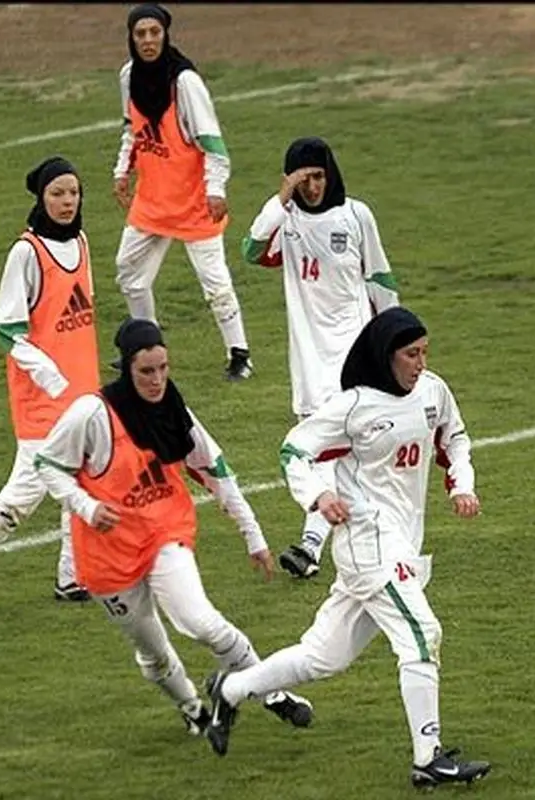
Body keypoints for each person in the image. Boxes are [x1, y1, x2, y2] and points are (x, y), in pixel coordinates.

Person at [202, 307, 491, 788]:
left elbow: (455, 438)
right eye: (411, 354)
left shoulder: (433, 391)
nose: (420, 364)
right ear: (386, 356)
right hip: (369, 547)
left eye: (425, 352)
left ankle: (231, 689)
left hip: (400, 544)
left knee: (323, 656)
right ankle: (428, 758)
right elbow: (294, 450)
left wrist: (462, 484)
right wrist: (319, 494)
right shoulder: (354, 407)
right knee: (423, 635)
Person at [33, 318, 313, 734]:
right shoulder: (91, 414)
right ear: (126, 368)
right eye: (146, 371)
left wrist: (253, 535)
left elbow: (216, 471)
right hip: (108, 559)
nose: (157, 380)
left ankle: (272, 693)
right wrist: (86, 507)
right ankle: (192, 707)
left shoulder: (174, 410)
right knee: (153, 654)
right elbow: (47, 465)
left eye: (163, 368)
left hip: (164, 535)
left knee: (203, 623)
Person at [0, 156, 98, 620]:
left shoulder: (82, 242)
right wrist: (47, 372)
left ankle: (72, 578)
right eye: (58, 193)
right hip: (41, 400)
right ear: (41, 198)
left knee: (82, 481)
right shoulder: (27, 253)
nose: (67, 201)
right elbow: (6, 328)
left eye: (73, 192)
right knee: (25, 496)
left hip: (83, 393)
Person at [242, 136, 400, 581]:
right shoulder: (286, 223)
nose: (312, 187)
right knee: (327, 456)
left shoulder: (356, 215)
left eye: (318, 176)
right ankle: (359, 539)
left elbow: (380, 278)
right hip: (309, 361)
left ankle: (311, 546)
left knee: (329, 452)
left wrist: (396, 339)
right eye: (303, 179)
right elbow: (251, 250)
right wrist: (280, 200)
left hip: (355, 355)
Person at [111, 3, 252, 381]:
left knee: (215, 284)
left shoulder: (185, 82)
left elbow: (213, 143)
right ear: (131, 38)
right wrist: (122, 170)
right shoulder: (128, 76)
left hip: (193, 201)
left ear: (165, 34)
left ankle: (240, 354)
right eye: (140, 34)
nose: (148, 41)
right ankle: (145, 345)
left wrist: (215, 189)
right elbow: (132, 128)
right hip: (152, 200)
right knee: (129, 272)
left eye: (154, 33)